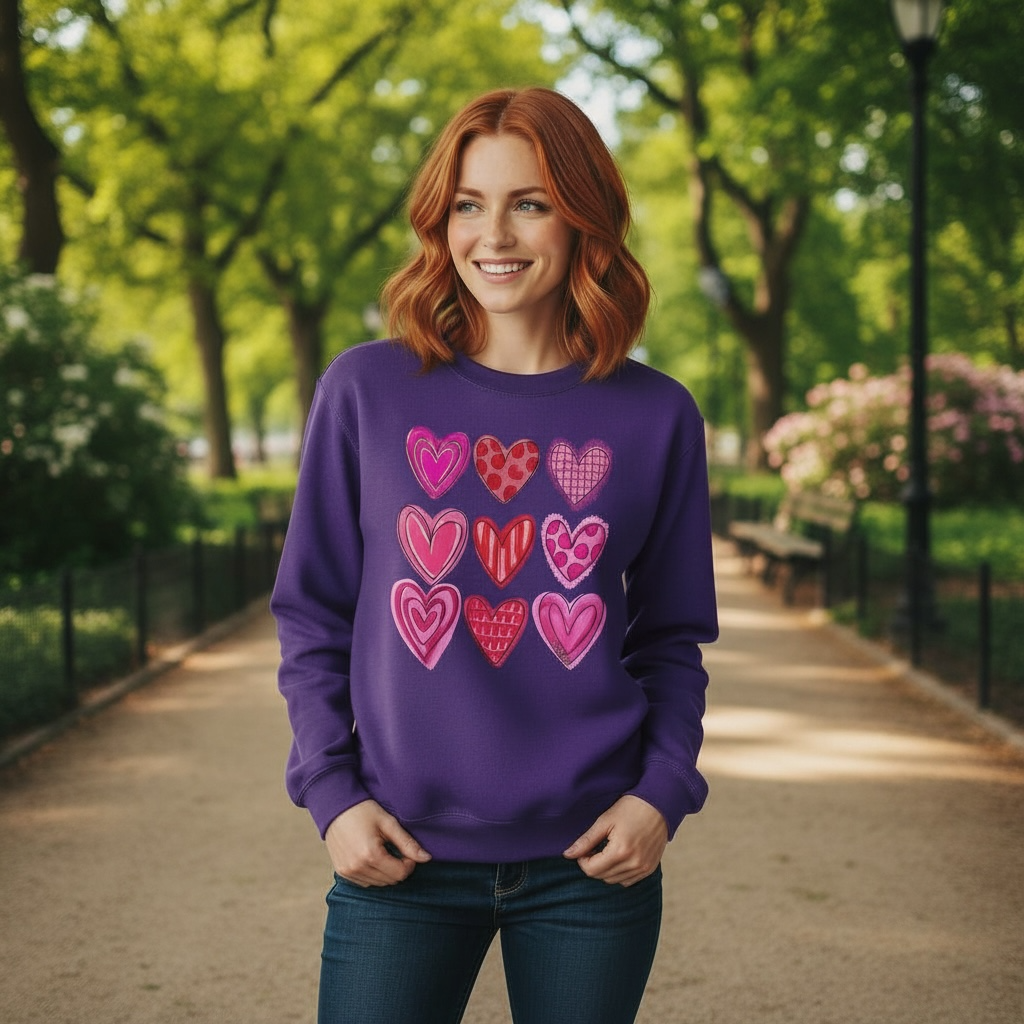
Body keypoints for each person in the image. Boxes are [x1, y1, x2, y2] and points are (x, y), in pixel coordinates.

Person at [271, 86, 718, 1024]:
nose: (494, 235)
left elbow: (672, 636)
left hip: (591, 867)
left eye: (530, 203)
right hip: (399, 858)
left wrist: (662, 794)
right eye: (469, 204)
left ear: (583, 217)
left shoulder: (656, 415)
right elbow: (312, 612)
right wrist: (332, 794)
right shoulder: (367, 390)